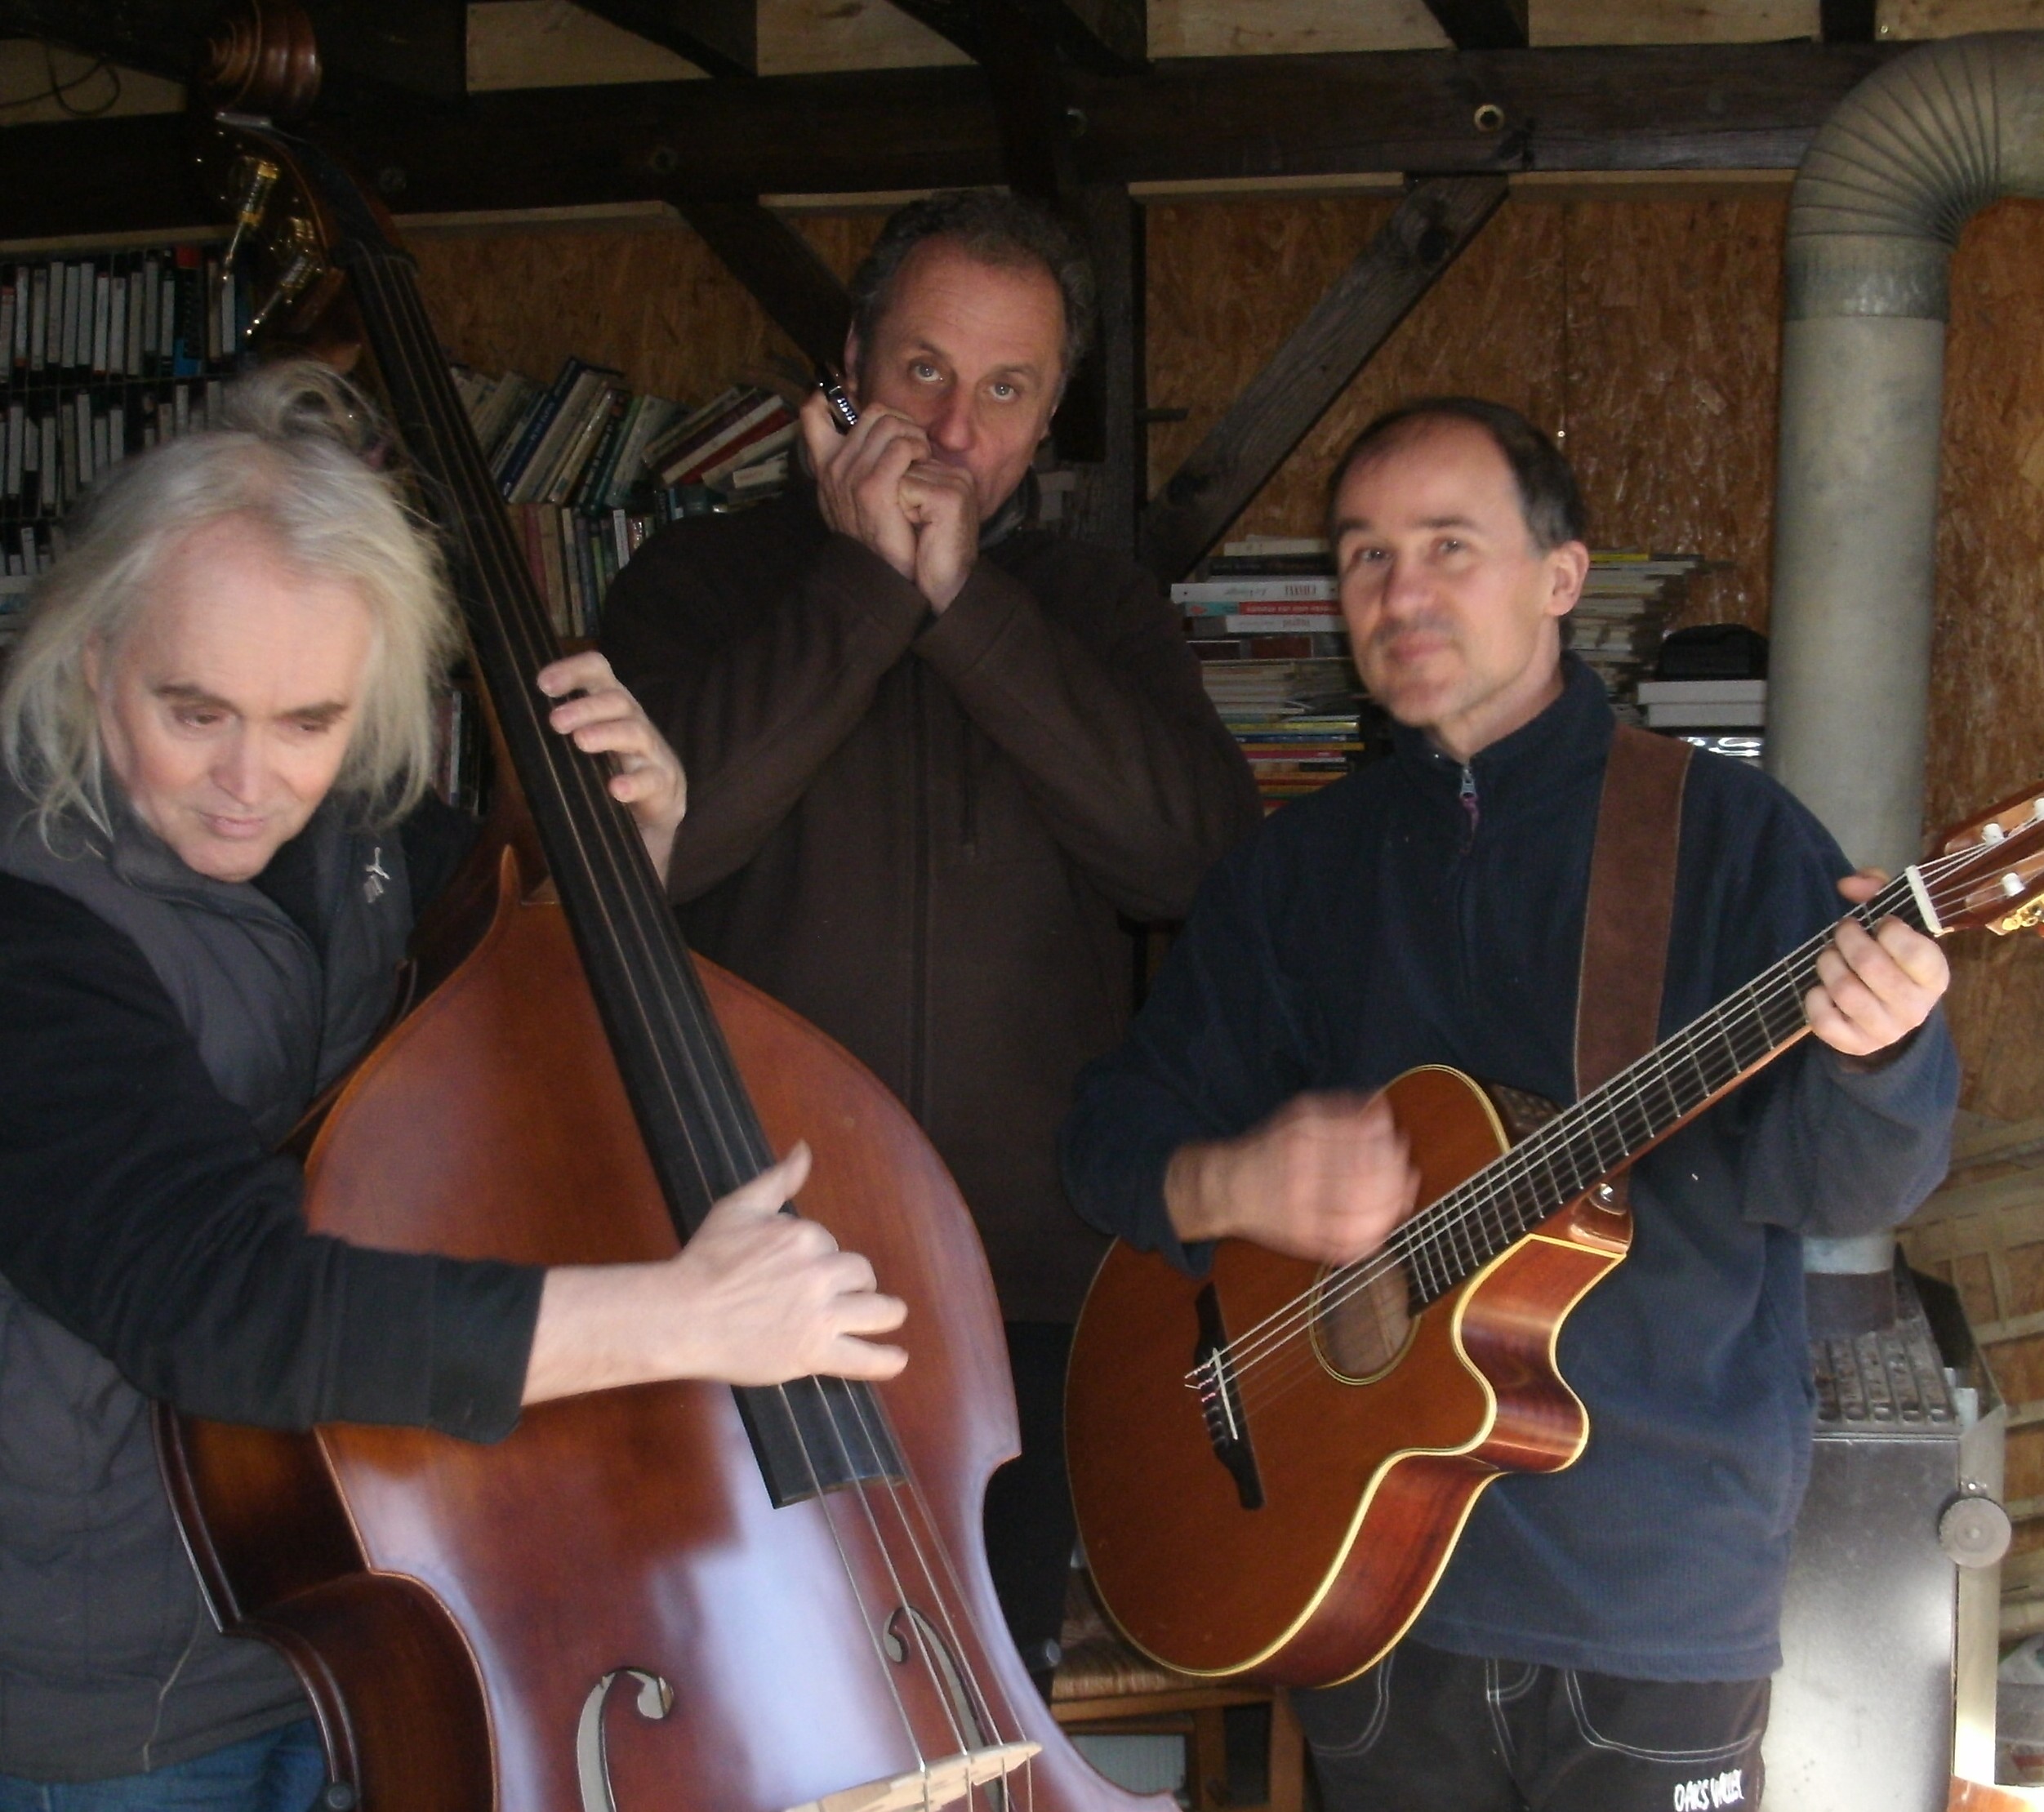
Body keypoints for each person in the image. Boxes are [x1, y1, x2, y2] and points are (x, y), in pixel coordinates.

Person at [0, 363, 906, 1808]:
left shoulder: (364, 826)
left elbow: (497, 1031)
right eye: (195, 713)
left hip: (370, 1592)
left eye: (310, 721)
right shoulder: (31, 925)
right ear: (95, 651)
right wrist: (685, 1316)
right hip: (123, 1688)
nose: (251, 780)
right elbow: (219, 1301)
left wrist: (627, 859)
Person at [1058, 397, 1957, 1811]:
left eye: (1447, 547)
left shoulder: (1729, 843)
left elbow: (1851, 1184)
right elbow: (1109, 1139)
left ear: (1561, 578)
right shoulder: (1296, 875)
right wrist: (1232, 1184)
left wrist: (1880, 1051)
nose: (1399, 592)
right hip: (1368, 1584)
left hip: (1650, 1589)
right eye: (1364, 556)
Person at [601, 189, 1261, 1688]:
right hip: (731, 1280)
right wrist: (863, 586)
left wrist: (968, 610)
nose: (956, 432)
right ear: (848, 368)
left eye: (1006, 391)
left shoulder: (1095, 605)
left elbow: (1197, 864)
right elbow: (655, 853)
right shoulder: (691, 586)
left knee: (975, 1716)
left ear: (1046, 422)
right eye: (922, 372)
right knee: (735, 1719)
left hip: (1017, 1302)